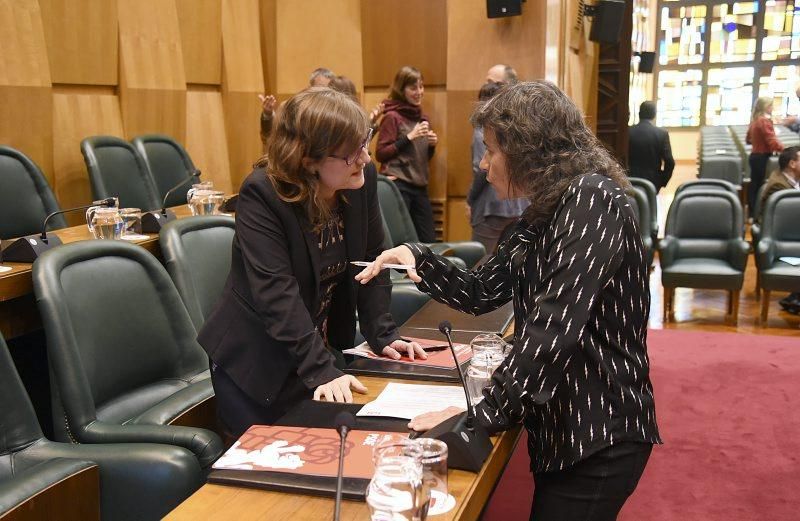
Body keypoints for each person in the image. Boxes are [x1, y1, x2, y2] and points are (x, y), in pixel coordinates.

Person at [357, 81, 661, 520]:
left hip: (599, 430)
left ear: (530, 150)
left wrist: (472, 419)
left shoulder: (592, 200)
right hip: (565, 427)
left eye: (492, 150)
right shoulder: (547, 209)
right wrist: (416, 256)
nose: (483, 164)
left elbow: (550, 333)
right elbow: (482, 292)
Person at [200, 88, 425, 438]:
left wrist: (382, 334)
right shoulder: (262, 194)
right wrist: (321, 369)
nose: (366, 158)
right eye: (352, 152)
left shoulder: (359, 184)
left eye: (365, 143)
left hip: (313, 353)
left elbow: (372, 261)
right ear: (308, 160)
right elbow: (277, 294)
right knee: (272, 474)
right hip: (257, 365)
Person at [375, 66, 438, 242]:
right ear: (401, 90)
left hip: (420, 185)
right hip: (400, 185)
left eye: (421, 86)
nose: (419, 92)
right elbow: (381, 153)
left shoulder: (422, 118)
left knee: (428, 240)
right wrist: (410, 137)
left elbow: (419, 157)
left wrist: (431, 145)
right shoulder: (392, 117)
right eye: (413, 88)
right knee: (402, 242)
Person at [467, 81, 529, 253]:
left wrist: (470, 200)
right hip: (519, 206)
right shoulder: (516, 129)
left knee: (479, 261)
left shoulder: (483, 132)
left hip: (492, 206)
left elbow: (482, 171)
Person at [758, 145, 800, 314]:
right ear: (792, 164)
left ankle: (795, 297)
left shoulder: (791, 180)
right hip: (779, 234)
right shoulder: (779, 187)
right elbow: (790, 219)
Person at [259, 67, 337, 150]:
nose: (323, 93)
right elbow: (272, 138)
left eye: (328, 89)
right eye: (320, 88)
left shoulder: (336, 113)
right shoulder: (292, 108)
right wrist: (268, 115)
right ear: (310, 87)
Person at [747, 97, 784, 214]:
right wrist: (786, 150)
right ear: (766, 107)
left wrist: (758, 141)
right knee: (759, 186)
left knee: (754, 185)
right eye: (771, 106)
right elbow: (772, 141)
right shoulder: (764, 121)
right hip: (761, 157)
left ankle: (752, 212)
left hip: (754, 156)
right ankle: (756, 212)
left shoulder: (755, 120)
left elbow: (748, 139)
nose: (772, 108)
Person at [628, 101, 675, 193]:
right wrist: (662, 181)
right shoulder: (662, 134)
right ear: (654, 115)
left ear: (639, 113)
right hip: (652, 181)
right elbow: (669, 162)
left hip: (629, 179)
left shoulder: (628, 132)